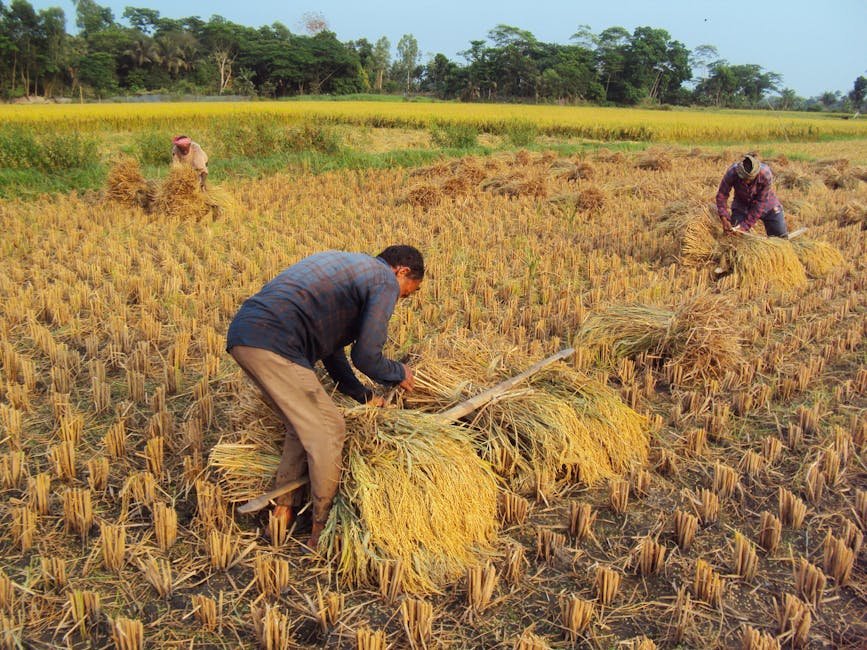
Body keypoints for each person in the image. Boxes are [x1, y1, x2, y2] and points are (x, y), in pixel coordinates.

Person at [225, 245, 424, 548]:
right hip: (276, 338)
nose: (401, 299)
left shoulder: (350, 269)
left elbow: (333, 353)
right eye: (407, 293)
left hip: (246, 334)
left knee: (302, 424)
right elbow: (367, 356)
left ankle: (282, 514)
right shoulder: (383, 280)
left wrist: (362, 394)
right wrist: (398, 372)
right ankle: (324, 527)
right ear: (402, 271)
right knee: (330, 427)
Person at [715, 153, 788, 238]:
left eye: (748, 179)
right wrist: (724, 217)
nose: (746, 182)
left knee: (780, 236)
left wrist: (745, 226)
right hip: (742, 204)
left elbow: (760, 203)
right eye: (743, 178)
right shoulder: (732, 172)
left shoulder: (765, 174)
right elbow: (722, 195)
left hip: (767, 204)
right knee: (734, 236)